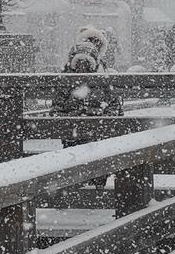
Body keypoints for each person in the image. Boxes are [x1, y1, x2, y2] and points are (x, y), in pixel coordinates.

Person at [51, 41, 123, 185]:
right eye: (79, 63)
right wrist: (75, 117)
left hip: (96, 134)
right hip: (73, 134)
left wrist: (96, 117)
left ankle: (93, 185)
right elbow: (56, 111)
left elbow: (115, 108)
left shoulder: (103, 81)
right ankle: (79, 186)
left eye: (86, 63)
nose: (82, 67)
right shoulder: (65, 81)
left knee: (96, 160)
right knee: (76, 162)